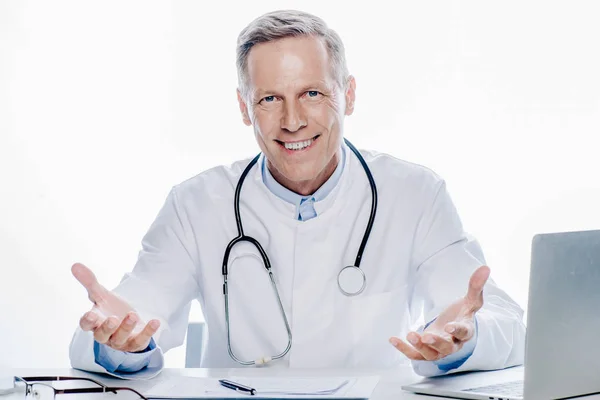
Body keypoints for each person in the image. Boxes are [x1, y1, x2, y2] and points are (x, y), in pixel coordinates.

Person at [69, 9, 525, 379]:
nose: (292, 121)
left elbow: (497, 321)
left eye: (311, 93)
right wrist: (119, 342)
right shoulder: (195, 205)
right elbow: (132, 316)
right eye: (269, 99)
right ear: (244, 108)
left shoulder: (416, 195)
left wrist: (465, 337)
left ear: (347, 95)